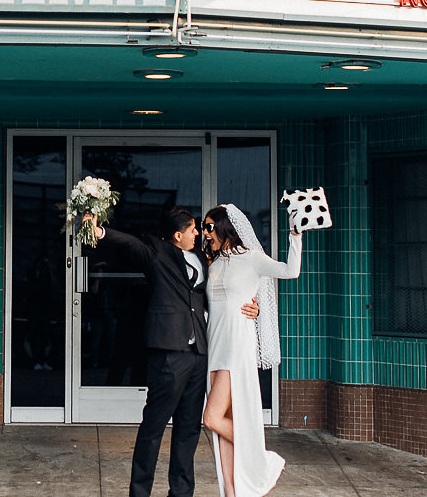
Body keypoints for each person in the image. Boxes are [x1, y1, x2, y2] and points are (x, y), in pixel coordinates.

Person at [85, 207, 258, 497]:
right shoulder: (156, 253)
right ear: (177, 235)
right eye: (192, 228)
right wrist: (97, 230)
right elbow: (128, 243)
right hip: (168, 352)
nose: (198, 232)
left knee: (188, 428)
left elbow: (230, 287)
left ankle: (180, 492)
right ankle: (139, 492)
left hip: (199, 353)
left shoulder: (206, 258)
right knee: (154, 426)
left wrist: (253, 307)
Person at [201, 203, 302, 497]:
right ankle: (231, 492)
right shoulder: (214, 262)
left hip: (238, 346)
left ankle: (260, 458)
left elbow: (290, 271)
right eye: (203, 227)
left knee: (211, 418)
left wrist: (295, 234)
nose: (206, 233)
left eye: (209, 227)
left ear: (224, 227)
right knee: (222, 426)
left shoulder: (253, 258)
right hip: (215, 345)